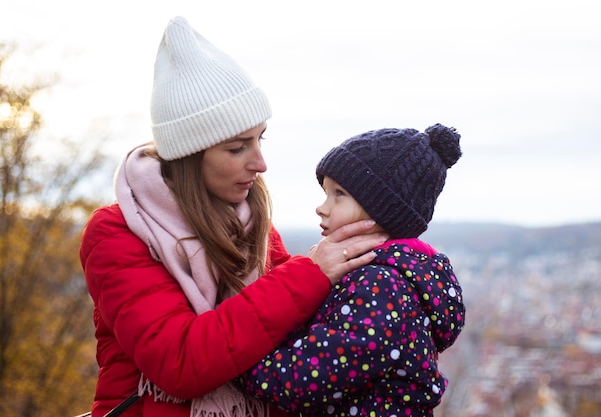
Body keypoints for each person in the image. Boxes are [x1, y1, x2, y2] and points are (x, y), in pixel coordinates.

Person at [79, 16, 387, 417]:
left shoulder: (249, 220)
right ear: (191, 153)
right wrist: (310, 273)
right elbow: (182, 363)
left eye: (260, 139)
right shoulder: (117, 234)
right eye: (237, 147)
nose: (260, 163)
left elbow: (282, 311)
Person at [238, 125, 466, 417]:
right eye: (325, 193)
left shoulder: (380, 285)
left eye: (339, 194)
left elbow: (312, 376)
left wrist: (239, 364)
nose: (322, 208)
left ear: (381, 210)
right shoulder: (382, 274)